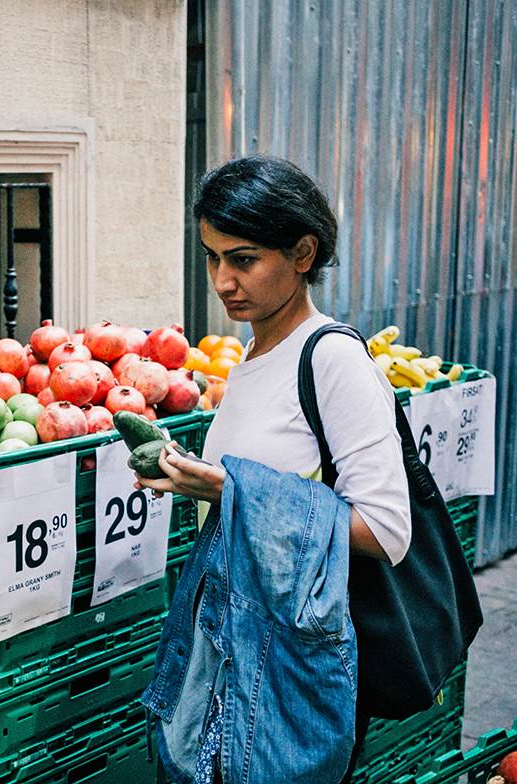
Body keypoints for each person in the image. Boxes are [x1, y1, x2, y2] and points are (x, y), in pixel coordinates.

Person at [135, 155, 412, 782]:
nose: (223, 280)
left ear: (304, 253)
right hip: (240, 639)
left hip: (288, 661)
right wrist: (191, 482)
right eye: (212, 257)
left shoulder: (334, 361)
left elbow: (388, 532)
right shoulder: (255, 350)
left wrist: (232, 488)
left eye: (244, 258)